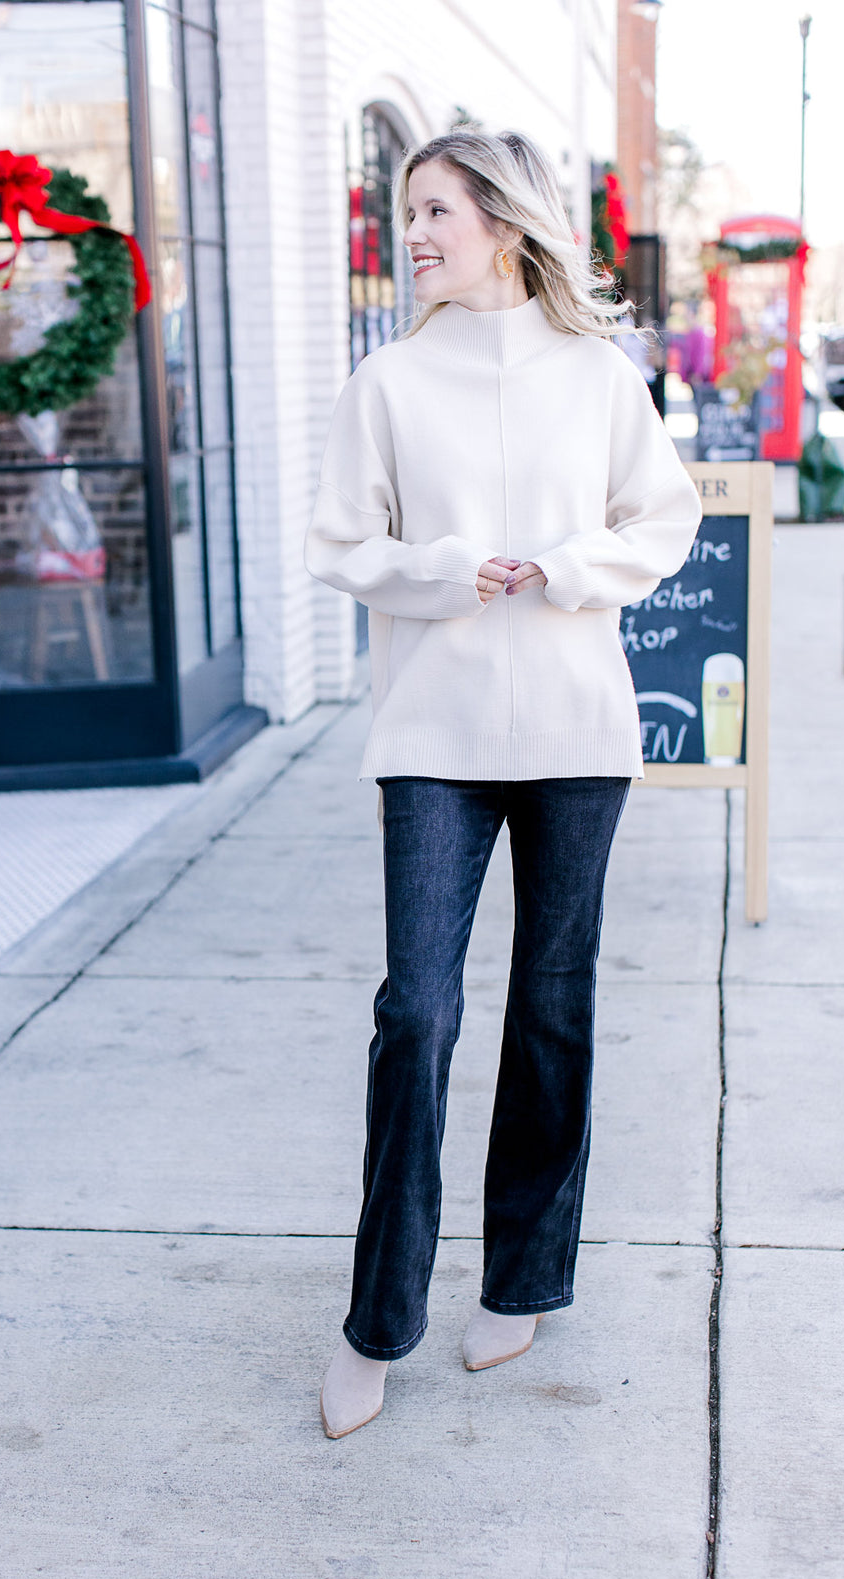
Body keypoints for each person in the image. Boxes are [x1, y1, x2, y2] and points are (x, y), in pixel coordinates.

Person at [304, 129, 702, 1440]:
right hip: (433, 740)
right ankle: (378, 1320)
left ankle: (526, 1278)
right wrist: (442, 569)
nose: (411, 232)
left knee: (552, 1010)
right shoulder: (388, 383)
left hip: (579, 739)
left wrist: (575, 566)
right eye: (405, 210)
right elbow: (343, 542)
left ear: (504, 221)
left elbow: (666, 518)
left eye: (433, 211)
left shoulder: (596, 376)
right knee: (416, 1013)